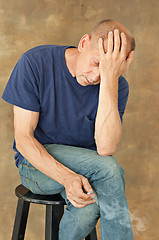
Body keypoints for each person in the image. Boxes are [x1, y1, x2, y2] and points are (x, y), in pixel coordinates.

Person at [2, 19, 135, 240]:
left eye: (106, 70)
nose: (95, 77)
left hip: (88, 171)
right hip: (36, 165)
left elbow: (105, 148)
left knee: (88, 210)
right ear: (84, 42)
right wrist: (66, 178)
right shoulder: (35, 62)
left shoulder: (116, 86)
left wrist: (110, 81)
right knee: (109, 170)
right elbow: (24, 139)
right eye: (95, 63)